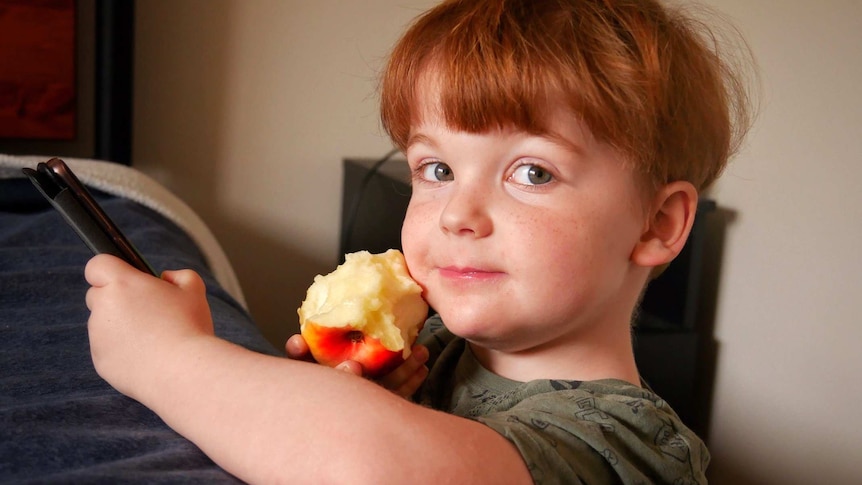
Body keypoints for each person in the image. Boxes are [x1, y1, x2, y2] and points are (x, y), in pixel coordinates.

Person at [85, 0, 755, 482]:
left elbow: (370, 467)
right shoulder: (430, 354)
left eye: (532, 171)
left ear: (656, 225)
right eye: (436, 169)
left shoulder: (624, 446)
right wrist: (350, 394)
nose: (458, 213)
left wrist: (165, 356)